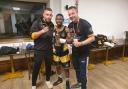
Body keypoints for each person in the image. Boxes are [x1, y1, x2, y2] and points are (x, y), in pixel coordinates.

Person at [67, 6, 95, 89]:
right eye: (69, 14)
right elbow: (71, 37)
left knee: (83, 72)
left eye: (72, 13)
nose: (71, 16)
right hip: (75, 52)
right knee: (77, 69)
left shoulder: (85, 23)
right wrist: (68, 39)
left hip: (83, 53)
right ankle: (79, 83)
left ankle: (84, 87)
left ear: (77, 12)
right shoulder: (70, 25)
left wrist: (81, 43)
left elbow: (92, 38)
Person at [30, 8, 54, 89]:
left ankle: (47, 81)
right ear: (43, 15)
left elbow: (51, 37)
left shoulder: (51, 24)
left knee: (49, 66)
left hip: (49, 50)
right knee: (36, 67)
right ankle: (33, 84)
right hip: (39, 50)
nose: (49, 16)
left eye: (50, 15)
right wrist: (42, 31)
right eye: (47, 14)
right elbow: (32, 36)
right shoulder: (37, 23)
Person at [52, 14, 70, 89]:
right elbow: (51, 39)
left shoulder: (66, 29)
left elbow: (70, 40)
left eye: (60, 19)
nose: (58, 20)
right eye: (57, 19)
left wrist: (64, 40)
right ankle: (59, 79)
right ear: (55, 20)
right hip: (55, 52)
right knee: (57, 67)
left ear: (63, 20)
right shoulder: (53, 28)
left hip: (64, 53)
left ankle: (67, 82)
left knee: (66, 68)